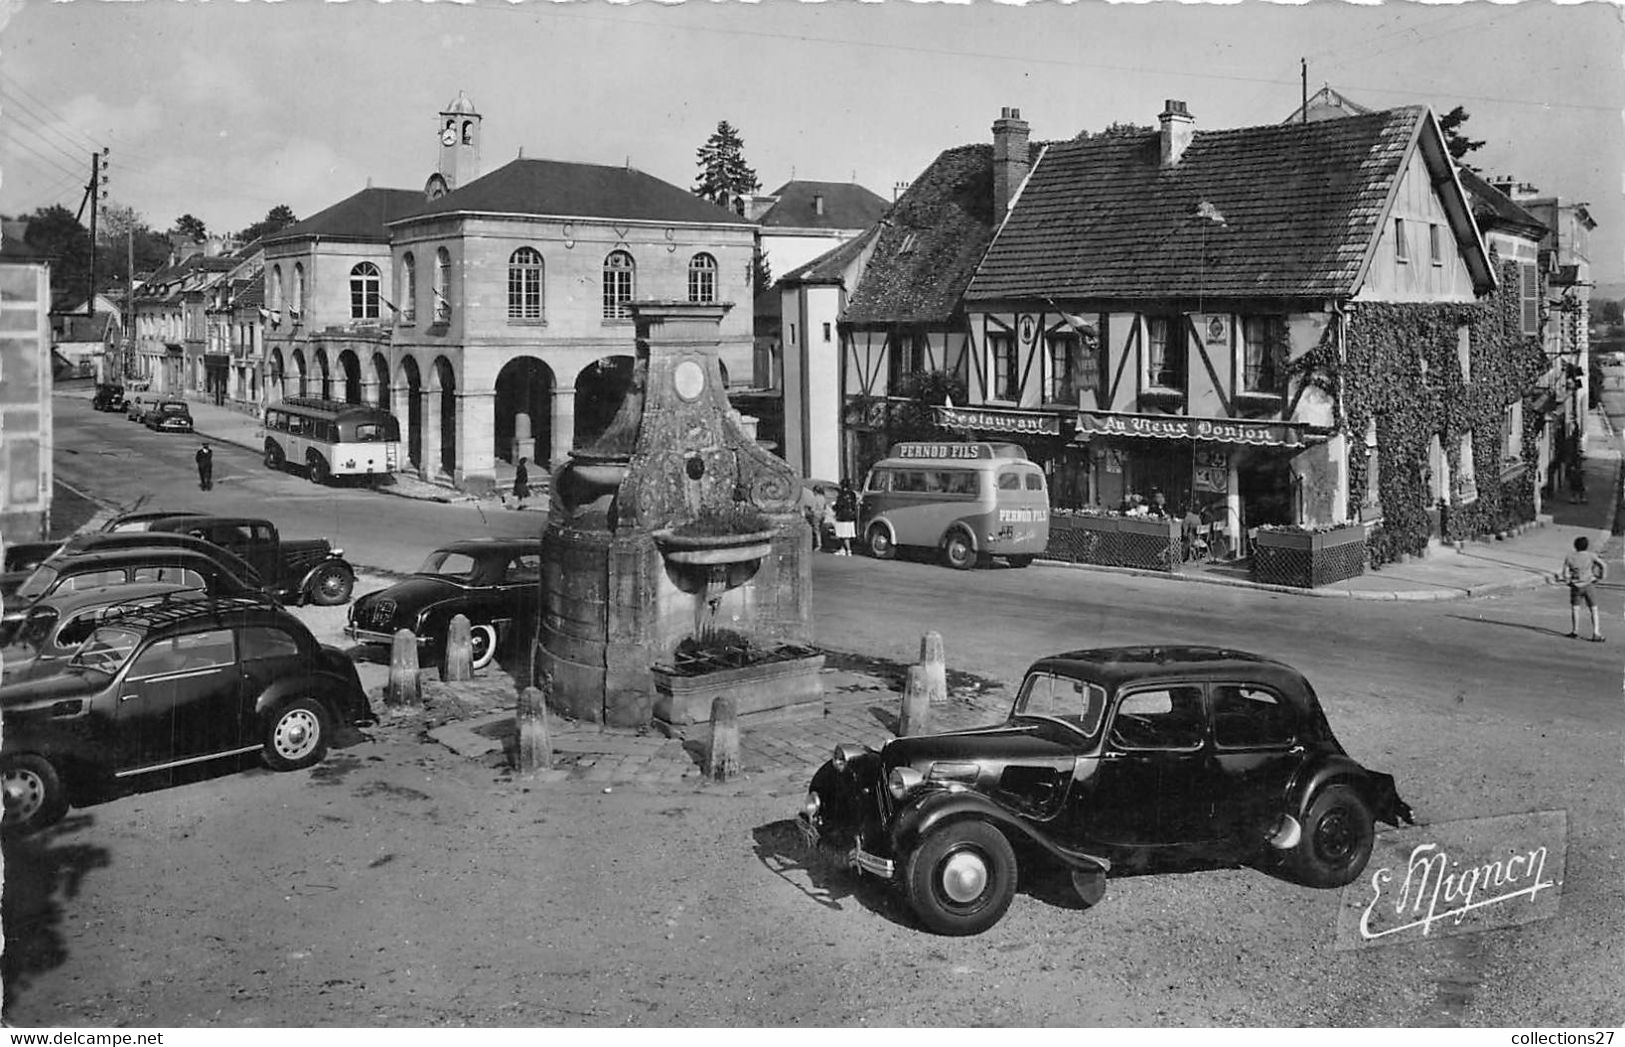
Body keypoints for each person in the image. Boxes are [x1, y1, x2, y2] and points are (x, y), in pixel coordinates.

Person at [1557, 535, 1607, 641]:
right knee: (1593, 609)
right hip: (1588, 584)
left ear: (1575, 546)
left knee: (1575, 608)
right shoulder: (1590, 555)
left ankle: (1575, 631)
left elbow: (1565, 572)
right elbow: (1603, 565)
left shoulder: (1570, 557)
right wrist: (1600, 577)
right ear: (1586, 546)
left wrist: (1568, 581)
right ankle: (1596, 632)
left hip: (1576, 586)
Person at [832, 478, 859, 556]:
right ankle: (843, 549)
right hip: (850, 517)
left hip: (842, 517)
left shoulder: (842, 495)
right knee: (846, 535)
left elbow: (839, 505)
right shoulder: (852, 494)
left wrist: (834, 506)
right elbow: (854, 504)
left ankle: (848, 550)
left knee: (843, 535)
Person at [805, 485, 828, 552]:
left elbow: (813, 509)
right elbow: (824, 507)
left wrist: (809, 510)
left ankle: (818, 544)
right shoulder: (823, 498)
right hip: (822, 515)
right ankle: (821, 543)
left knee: (816, 530)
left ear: (815, 491)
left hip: (816, 515)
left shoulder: (815, 498)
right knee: (819, 530)